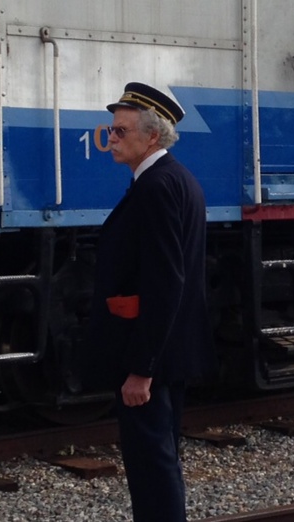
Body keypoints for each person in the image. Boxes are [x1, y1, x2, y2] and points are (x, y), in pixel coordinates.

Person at [83, 82, 215, 522]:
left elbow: (165, 282)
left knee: (151, 463)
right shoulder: (174, 180)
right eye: (112, 129)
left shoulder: (157, 187)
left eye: (120, 131)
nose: (111, 139)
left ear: (152, 136)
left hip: (151, 357)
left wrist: (142, 368)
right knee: (158, 456)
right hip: (164, 351)